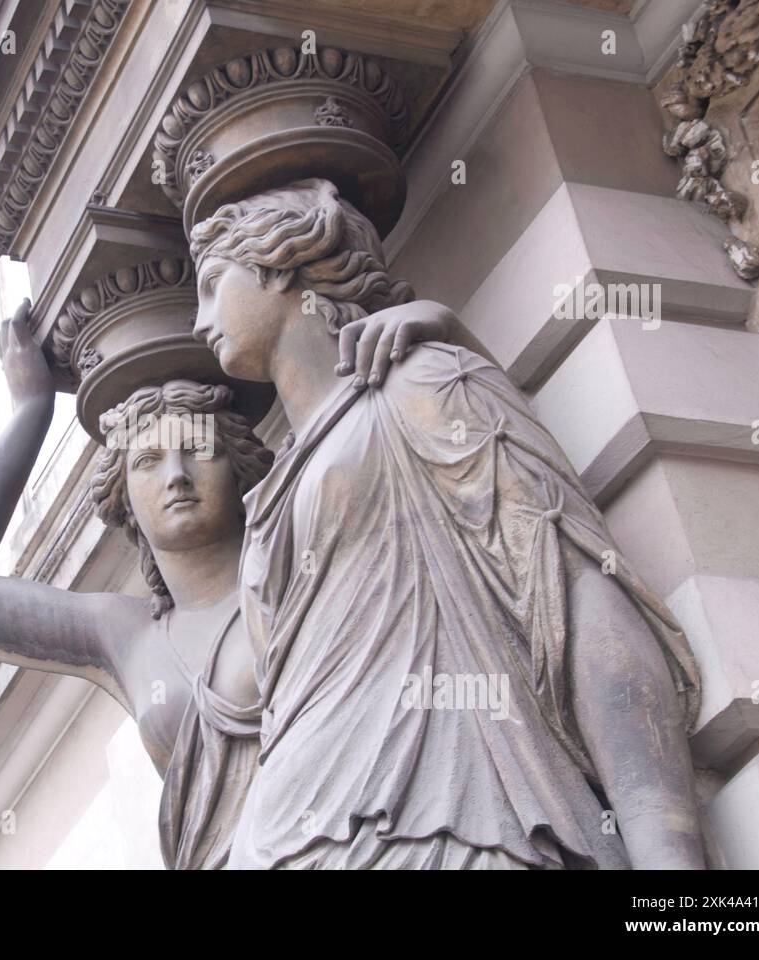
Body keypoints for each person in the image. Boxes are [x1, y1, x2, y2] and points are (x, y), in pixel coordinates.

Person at [190, 178, 704, 869]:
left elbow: (575, 596)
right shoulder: (266, 506)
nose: (200, 322)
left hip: (453, 822)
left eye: (212, 284)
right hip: (292, 840)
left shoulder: (425, 383)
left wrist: (671, 862)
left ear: (278, 262)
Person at [0, 298, 445, 868]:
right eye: (149, 461)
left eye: (197, 451)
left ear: (239, 467)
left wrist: (435, 324)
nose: (177, 477)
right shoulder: (123, 633)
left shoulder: (299, 553)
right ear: (126, 503)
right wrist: (31, 412)